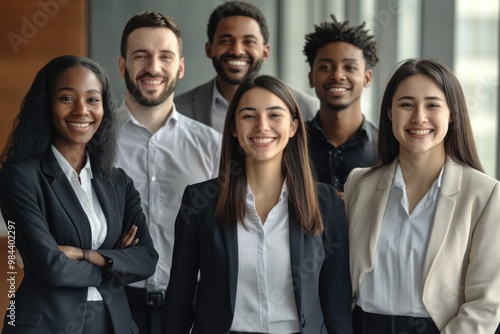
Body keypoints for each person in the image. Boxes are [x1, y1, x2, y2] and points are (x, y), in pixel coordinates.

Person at [165, 75, 353, 333]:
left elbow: (337, 305)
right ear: (234, 127)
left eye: (275, 115)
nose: (262, 126)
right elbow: (178, 301)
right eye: (249, 116)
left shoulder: (326, 203)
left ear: (293, 127)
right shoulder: (201, 202)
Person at [0, 55, 158, 333]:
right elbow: (51, 266)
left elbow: (146, 260)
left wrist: (85, 255)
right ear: (46, 105)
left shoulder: (118, 181)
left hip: (114, 323)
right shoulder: (20, 177)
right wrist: (115, 264)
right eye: (67, 98)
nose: (81, 110)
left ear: (104, 108)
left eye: (93, 100)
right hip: (48, 324)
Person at [345, 59, 500, 333]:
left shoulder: (484, 194)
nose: (419, 117)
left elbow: (486, 305)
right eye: (406, 104)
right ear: (390, 112)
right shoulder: (360, 184)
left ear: (452, 114)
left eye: (432, 105)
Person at [116, 11, 221, 334]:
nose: (154, 67)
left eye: (165, 56)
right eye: (141, 56)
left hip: (192, 308)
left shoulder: (212, 146)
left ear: (181, 66)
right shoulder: (92, 143)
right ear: (123, 65)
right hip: (114, 304)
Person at [174, 0, 319, 133]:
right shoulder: (177, 109)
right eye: (226, 41)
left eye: (249, 42)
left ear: (265, 52)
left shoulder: (306, 109)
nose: (237, 51)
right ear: (209, 49)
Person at [303, 15, 379, 196]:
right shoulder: (290, 144)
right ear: (311, 78)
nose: (337, 76)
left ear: (367, 78)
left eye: (350, 67)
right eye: (325, 67)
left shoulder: (387, 148)